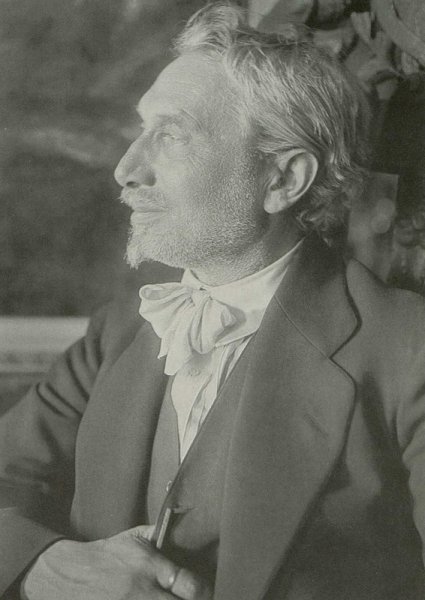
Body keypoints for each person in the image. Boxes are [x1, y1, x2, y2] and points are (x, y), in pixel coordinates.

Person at [1, 3, 425, 599]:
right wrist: (46, 566)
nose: (126, 169)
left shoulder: (407, 349)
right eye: (140, 131)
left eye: (171, 135)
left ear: (283, 180)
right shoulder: (117, 333)